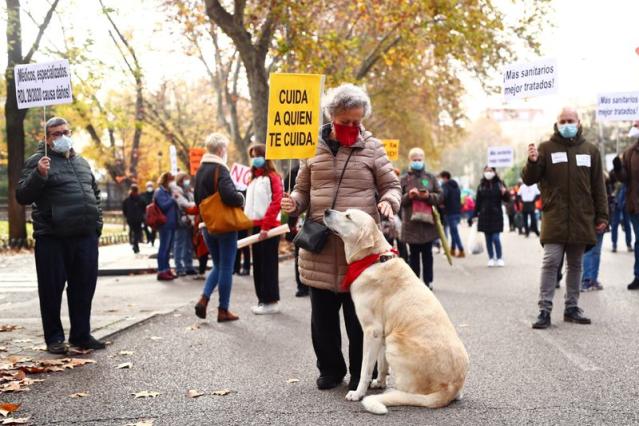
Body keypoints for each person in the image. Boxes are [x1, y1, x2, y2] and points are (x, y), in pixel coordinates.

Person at [281, 83, 401, 392]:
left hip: (359, 249)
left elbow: (391, 184)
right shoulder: (310, 147)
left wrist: (389, 201)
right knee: (322, 318)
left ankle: (362, 372)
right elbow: (302, 189)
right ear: (332, 116)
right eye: (345, 121)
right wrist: (294, 203)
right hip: (320, 245)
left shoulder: (372, 147)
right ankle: (330, 370)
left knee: (359, 317)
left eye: (357, 122)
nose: (351, 127)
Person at [16, 117, 105, 354]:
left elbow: (95, 194)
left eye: (65, 132)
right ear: (46, 139)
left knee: (84, 287)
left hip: (85, 236)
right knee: (51, 289)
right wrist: (39, 174)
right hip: (53, 237)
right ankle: (54, 338)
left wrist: (97, 225)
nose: (62, 136)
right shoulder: (38, 162)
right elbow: (22, 195)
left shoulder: (82, 163)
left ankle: (81, 335)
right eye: (56, 133)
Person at [523, 107, 608, 329]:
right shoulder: (545, 148)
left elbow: (598, 186)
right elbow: (530, 180)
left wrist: (603, 216)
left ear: (579, 123)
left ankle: (572, 307)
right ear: (557, 123)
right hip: (555, 216)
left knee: (575, 264)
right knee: (550, 261)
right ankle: (544, 310)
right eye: (563, 120)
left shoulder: (590, 151)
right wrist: (532, 161)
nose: (567, 124)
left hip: (582, 217)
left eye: (570, 120)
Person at [193, 133, 245, 321]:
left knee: (217, 265)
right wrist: (241, 197)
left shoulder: (200, 171)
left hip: (207, 225)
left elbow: (196, 199)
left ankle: (204, 299)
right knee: (226, 268)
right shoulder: (220, 169)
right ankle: (223, 310)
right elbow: (230, 195)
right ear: (221, 149)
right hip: (225, 225)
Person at [244, 143, 283, 314]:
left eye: (258, 155)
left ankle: (271, 301)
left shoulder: (273, 177)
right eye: (252, 155)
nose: (255, 159)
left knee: (268, 265)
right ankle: (262, 300)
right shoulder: (252, 179)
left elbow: (276, 202)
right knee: (258, 265)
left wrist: (266, 226)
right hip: (255, 227)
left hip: (269, 228)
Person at [400, 148, 442, 288]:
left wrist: (428, 196)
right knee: (413, 255)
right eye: (414, 159)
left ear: (423, 160)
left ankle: (428, 281)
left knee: (428, 254)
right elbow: (398, 200)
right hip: (411, 224)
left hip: (428, 223)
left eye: (419, 159)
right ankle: (415, 283)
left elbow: (441, 196)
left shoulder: (430, 178)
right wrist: (408, 196)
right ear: (410, 161)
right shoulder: (404, 179)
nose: (417, 162)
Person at [470, 166, 509, 267]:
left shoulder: (500, 184)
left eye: (491, 171)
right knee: (488, 238)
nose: (488, 173)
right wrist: (474, 215)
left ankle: (499, 257)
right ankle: (491, 257)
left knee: (496, 237)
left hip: (496, 215)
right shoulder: (481, 186)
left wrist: (505, 193)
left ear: (495, 172)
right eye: (486, 171)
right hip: (484, 215)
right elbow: (477, 202)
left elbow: (507, 199)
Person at [616, 120, 639, 290]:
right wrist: (618, 168)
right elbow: (624, 178)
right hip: (636, 205)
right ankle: (638, 276)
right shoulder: (630, 152)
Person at [172, 172, 198, 277]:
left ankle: (188, 266)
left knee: (189, 245)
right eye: (185, 179)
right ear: (180, 180)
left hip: (189, 221)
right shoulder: (176, 191)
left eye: (188, 179)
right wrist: (194, 205)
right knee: (179, 244)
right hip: (180, 221)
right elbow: (183, 204)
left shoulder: (188, 191)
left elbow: (193, 201)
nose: (187, 181)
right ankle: (179, 267)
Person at [155, 172, 178, 281]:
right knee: (163, 248)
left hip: (171, 223)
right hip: (165, 224)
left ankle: (167, 268)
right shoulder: (160, 192)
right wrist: (172, 199)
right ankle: (161, 270)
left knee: (168, 248)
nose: (172, 182)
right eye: (170, 180)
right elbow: (163, 206)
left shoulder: (168, 192)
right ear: (165, 181)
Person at [609, 160, 632, 253]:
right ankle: (614, 244)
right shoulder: (612, 173)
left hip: (625, 203)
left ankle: (628, 244)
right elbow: (610, 187)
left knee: (626, 225)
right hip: (616, 203)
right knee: (615, 225)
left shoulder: (626, 173)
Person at [440, 170, 464, 257]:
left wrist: (441, 203)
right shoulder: (456, 186)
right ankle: (453, 249)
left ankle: (461, 249)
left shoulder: (445, 185)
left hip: (449, 211)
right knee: (453, 231)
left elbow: (443, 196)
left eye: (442, 178)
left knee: (454, 232)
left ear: (445, 177)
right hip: (457, 211)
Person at [122, 184, 146, 254]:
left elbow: (124, 209)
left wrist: (127, 216)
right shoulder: (140, 199)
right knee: (137, 232)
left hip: (132, 218)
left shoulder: (127, 200)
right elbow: (144, 208)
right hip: (137, 219)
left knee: (134, 231)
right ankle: (135, 244)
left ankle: (135, 244)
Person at [140, 181, 156, 246]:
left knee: (154, 228)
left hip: (154, 213)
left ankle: (152, 239)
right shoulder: (143, 195)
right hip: (146, 213)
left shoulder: (155, 194)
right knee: (145, 226)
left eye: (151, 186)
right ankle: (149, 237)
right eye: (148, 186)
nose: (150, 187)